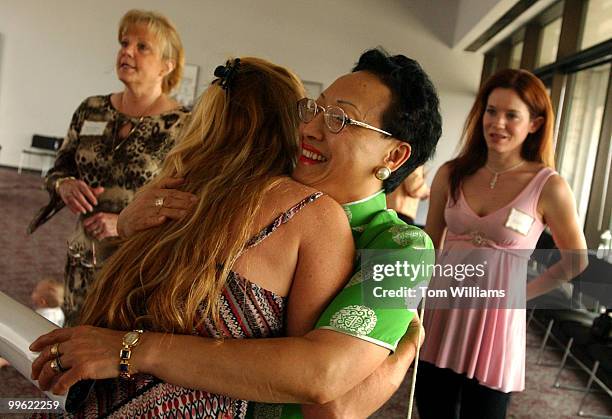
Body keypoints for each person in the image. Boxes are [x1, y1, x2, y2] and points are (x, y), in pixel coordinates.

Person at [30, 49, 442, 418]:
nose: (310, 129)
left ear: (395, 155)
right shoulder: (256, 189)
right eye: (313, 110)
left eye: (339, 119)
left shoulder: (400, 250)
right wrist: (126, 228)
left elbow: (328, 399)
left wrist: (399, 361)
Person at [416, 69, 588, 419]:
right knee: (432, 409)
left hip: (495, 327)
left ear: (535, 124)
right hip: (441, 314)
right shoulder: (452, 173)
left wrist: (521, 296)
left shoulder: (549, 186)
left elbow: (576, 261)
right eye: (492, 111)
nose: (498, 123)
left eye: (512, 115)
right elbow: (429, 244)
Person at [27, 9, 190, 326]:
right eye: (124, 43)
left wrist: (124, 221)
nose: (127, 51)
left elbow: (188, 198)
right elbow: (57, 171)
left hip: (137, 264)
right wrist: (65, 186)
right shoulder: (92, 109)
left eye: (142, 47)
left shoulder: (184, 126)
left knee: (118, 350)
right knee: (75, 336)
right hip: (82, 259)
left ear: (166, 66)